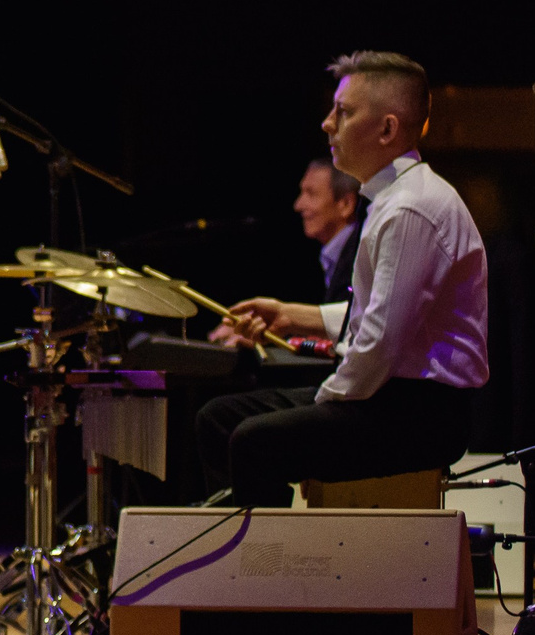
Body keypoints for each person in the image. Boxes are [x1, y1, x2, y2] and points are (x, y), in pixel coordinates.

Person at [197, 52, 487, 508]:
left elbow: (380, 344)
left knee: (253, 441)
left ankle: (270, 567)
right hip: (391, 401)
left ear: (387, 129)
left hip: (419, 416)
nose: (327, 124)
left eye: (343, 112)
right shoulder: (394, 198)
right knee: (220, 418)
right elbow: (376, 314)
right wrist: (291, 314)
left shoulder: (411, 207)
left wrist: (325, 400)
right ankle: (255, 547)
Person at [212, 161, 366, 346]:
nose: (298, 205)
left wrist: (272, 339)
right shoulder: (335, 255)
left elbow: (352, 335)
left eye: (311, 193)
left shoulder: (360, 254)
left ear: (346, 204)